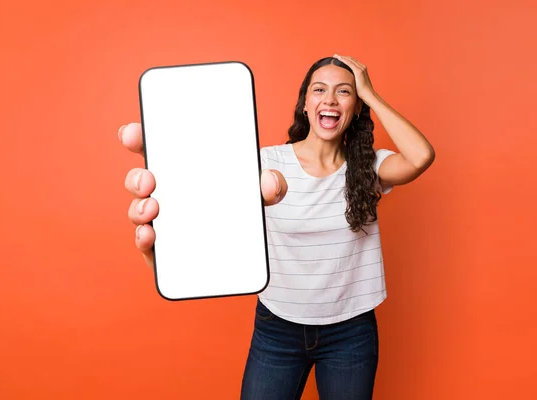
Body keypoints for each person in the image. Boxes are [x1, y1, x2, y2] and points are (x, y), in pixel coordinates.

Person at [118, 54, 435, 400]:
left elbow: (421, 157)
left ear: (356, 108)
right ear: (305, 105)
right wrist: (167, 248)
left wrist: (370, 94)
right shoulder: (266, 163)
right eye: (319, 90)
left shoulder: (369, 165)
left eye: (344, 92)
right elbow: (213, 212)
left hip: (351, 331)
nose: (329, 99)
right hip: (278, 327)